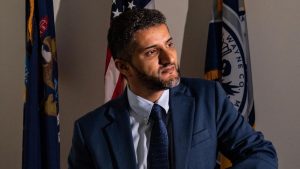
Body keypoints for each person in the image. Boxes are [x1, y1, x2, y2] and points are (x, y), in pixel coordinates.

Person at [68, 9, 277, 169]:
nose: (169, 59)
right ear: (123, 66)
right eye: (151, 52)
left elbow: (260, 154)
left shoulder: (208, 98)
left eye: (169, 44)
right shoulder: (90, 131)